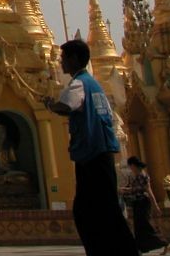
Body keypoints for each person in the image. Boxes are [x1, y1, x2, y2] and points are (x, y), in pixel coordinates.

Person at [43, 38, 139, 256]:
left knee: (89, 210)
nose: (61, 63)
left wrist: (50, 105)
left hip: (91, 153)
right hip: (100, 150)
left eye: (63, 58)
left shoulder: (79, 84)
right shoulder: (93, 83)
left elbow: (67, 105)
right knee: (102, 207)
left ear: (75, 59)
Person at [122, 157, 170, 255]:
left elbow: (148, 191)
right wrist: (124, 189)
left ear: (133, 165)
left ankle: (165, 244)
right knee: (139, 226)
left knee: (145, 225)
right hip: (137, 203)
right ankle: (140, 248)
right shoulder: (136, 176)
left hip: (143, 202)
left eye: (130, 166)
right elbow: (134, 188)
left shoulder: (142, 176)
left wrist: (155, 205)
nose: (130, 168)